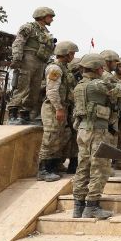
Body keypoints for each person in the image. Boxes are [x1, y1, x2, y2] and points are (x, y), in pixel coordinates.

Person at [71, 54, 121, 219]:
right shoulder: (96, 85)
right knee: (99, 167)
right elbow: (119, 92)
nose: (103, 70)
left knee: (83, 167)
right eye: (101, 67)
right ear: (97, 68)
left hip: (83, 130)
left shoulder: (79, 86)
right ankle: (92, 206)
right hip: (97, 130)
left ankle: (78, 206)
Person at [38, 40, 79, 181]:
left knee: (59, 137)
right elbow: (52, 91)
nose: (73, 56)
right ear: (66, 54)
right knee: (50, 137)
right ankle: (43, 170)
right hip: (53, 107)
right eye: (72, 53)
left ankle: (53, 166)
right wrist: (59, 108)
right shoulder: (55, 68)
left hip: (62, 107)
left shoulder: (64, 68)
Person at [7, 7, 56, 124]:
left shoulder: (46, 33)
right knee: (22, 86)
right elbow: (18, 42)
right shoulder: (29, 27)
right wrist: (17, 58)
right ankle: (12, 114)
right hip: (28, 58)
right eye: (50, 17)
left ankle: (25, 114)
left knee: (35, 89)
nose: (52, 20)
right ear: (42, 16)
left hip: (41, 61)